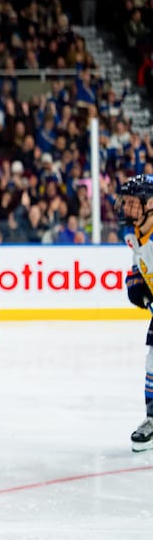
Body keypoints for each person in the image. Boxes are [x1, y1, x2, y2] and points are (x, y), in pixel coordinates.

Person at [115, 174, 153, 451]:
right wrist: (136, 282)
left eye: (132, 202)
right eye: (125, 202)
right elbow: (138, 264)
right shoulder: (135, 234)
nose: (126, 208)